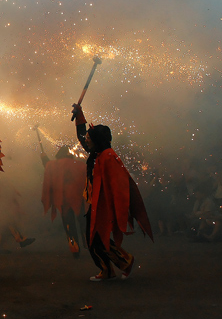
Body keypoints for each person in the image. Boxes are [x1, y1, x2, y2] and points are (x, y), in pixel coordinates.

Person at [71, 103, 153, 281]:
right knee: (94, 237)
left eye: (89, 137)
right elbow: (80, 137)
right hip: (94, 202)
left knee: (94, 238)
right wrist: (79, 116)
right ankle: (111, 268)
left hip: (102, 204)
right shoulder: (97, 153)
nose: (86, 139)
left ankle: (121, 263)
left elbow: (119, 184)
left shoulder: (108, 156)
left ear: (97, 140)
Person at [41, 145, 87, 257]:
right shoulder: (78, 164)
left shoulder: (54, 164)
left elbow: (48, 166)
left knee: (68, 225)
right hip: (77, 198)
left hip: (63, 199)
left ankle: (74, 248)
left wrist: (43, 157)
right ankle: (89, 243)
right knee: (83, 222)